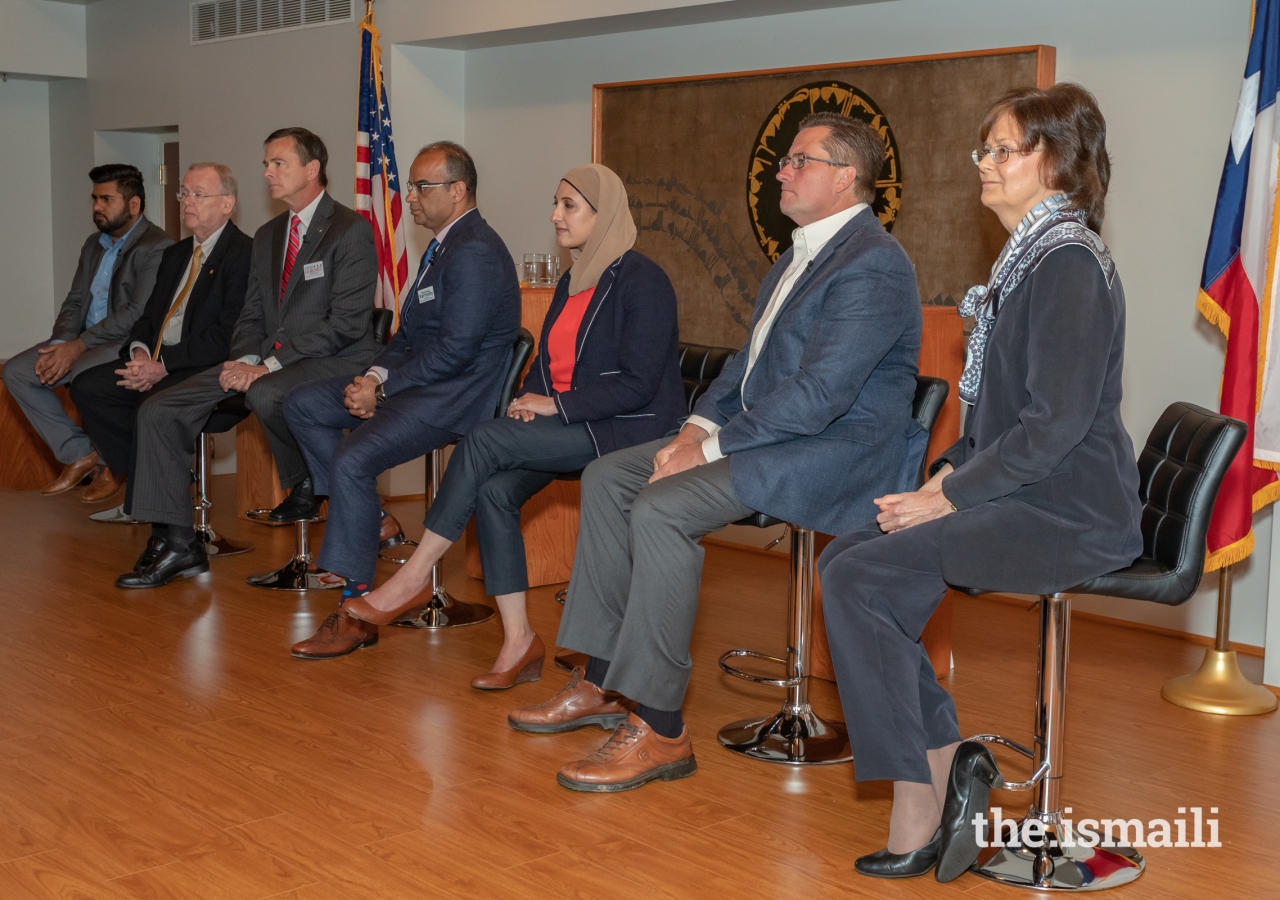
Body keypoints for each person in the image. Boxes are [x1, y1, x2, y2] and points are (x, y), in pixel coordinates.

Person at [503, 113, 927, 793]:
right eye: (783, 162)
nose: (780, 173)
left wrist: (715, 447)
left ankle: (662, 729)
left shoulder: (874, 265)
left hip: (835, 453)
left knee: (663, 508)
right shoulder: (797, 255)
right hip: (774, 439)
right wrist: (694, 429)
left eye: (798, 162)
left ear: (847, 177)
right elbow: (747, 368)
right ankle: (605, 680)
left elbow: (820, 395)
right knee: (609, 474)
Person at [816, 84, 1142, 881]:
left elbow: (1053, 428)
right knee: (850, 563)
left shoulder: (1066, 263)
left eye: (1004, 150)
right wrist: (945, 472)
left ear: (1057, 161)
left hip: (1072, 510)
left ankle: (928, 786)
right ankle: (947, 764)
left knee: (858, 574)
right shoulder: (1030, 257)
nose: (985, 165)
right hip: (1028, 491)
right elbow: (1005, 422)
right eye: (985, 149)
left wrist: (946, 497)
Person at [335, 164, 684, 689]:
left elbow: (638, 385)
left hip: (624, 430)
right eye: (556, 203)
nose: (554, 216)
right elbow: (547, 360)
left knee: (481, 438)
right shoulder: (573, 276)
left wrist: (554, 408)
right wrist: (528, 397)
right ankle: (519, 640)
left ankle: (412, 577)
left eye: (569, 206)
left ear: (604, 211)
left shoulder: (643, 281)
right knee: (495, 491)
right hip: (573, 425)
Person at [285, 142, 522, 660]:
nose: (409, 197)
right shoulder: (442, 246)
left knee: (353, 457)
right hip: (418, 383)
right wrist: (371, 375)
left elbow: (457, 351)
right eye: (410, 186)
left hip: (455, 397)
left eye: (421, 186)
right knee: (302, 404)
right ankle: (371, 522)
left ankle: (354, 609)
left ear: (458, 191)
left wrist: (383, 389)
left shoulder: (475, 250)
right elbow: (408, 336)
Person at [116, 127, 379, 589]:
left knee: (267, 389)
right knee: (158, 408)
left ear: (312, 169)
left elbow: (346, 325)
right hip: (267, 362)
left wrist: (264, 367)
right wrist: (243, 359)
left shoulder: (350, 230)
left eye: (278, 163)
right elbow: (252, 313)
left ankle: (308, 486)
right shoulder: (270, 233)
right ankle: (179, 543)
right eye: (266, 163)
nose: (267, 172)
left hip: (334, 358)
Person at [70, 163, 251, 511]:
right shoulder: (176, 253)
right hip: (156, 359)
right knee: (88, 387)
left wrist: (163, 366)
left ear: (227, 203)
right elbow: (149, 317)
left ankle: (156, 504)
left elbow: (228, 333)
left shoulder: (244, 254)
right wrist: (139, 354)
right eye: (184, 193)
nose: (188, 202)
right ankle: (153, 480)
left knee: (147, 406)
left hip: (204, 367)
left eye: (199, 194)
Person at [3, 164, 171, 497]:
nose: (97, 207)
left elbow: (136, 312)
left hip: (126, 341)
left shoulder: (157, 246)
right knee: (17, 372)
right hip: (83, 339)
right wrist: (61, 342)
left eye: (106, 199)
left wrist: (77, 347)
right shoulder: (93, 245)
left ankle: (112, 461)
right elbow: (76, 299)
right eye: (95, 199)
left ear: (133, 204)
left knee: (81, 374)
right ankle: (81, 453)